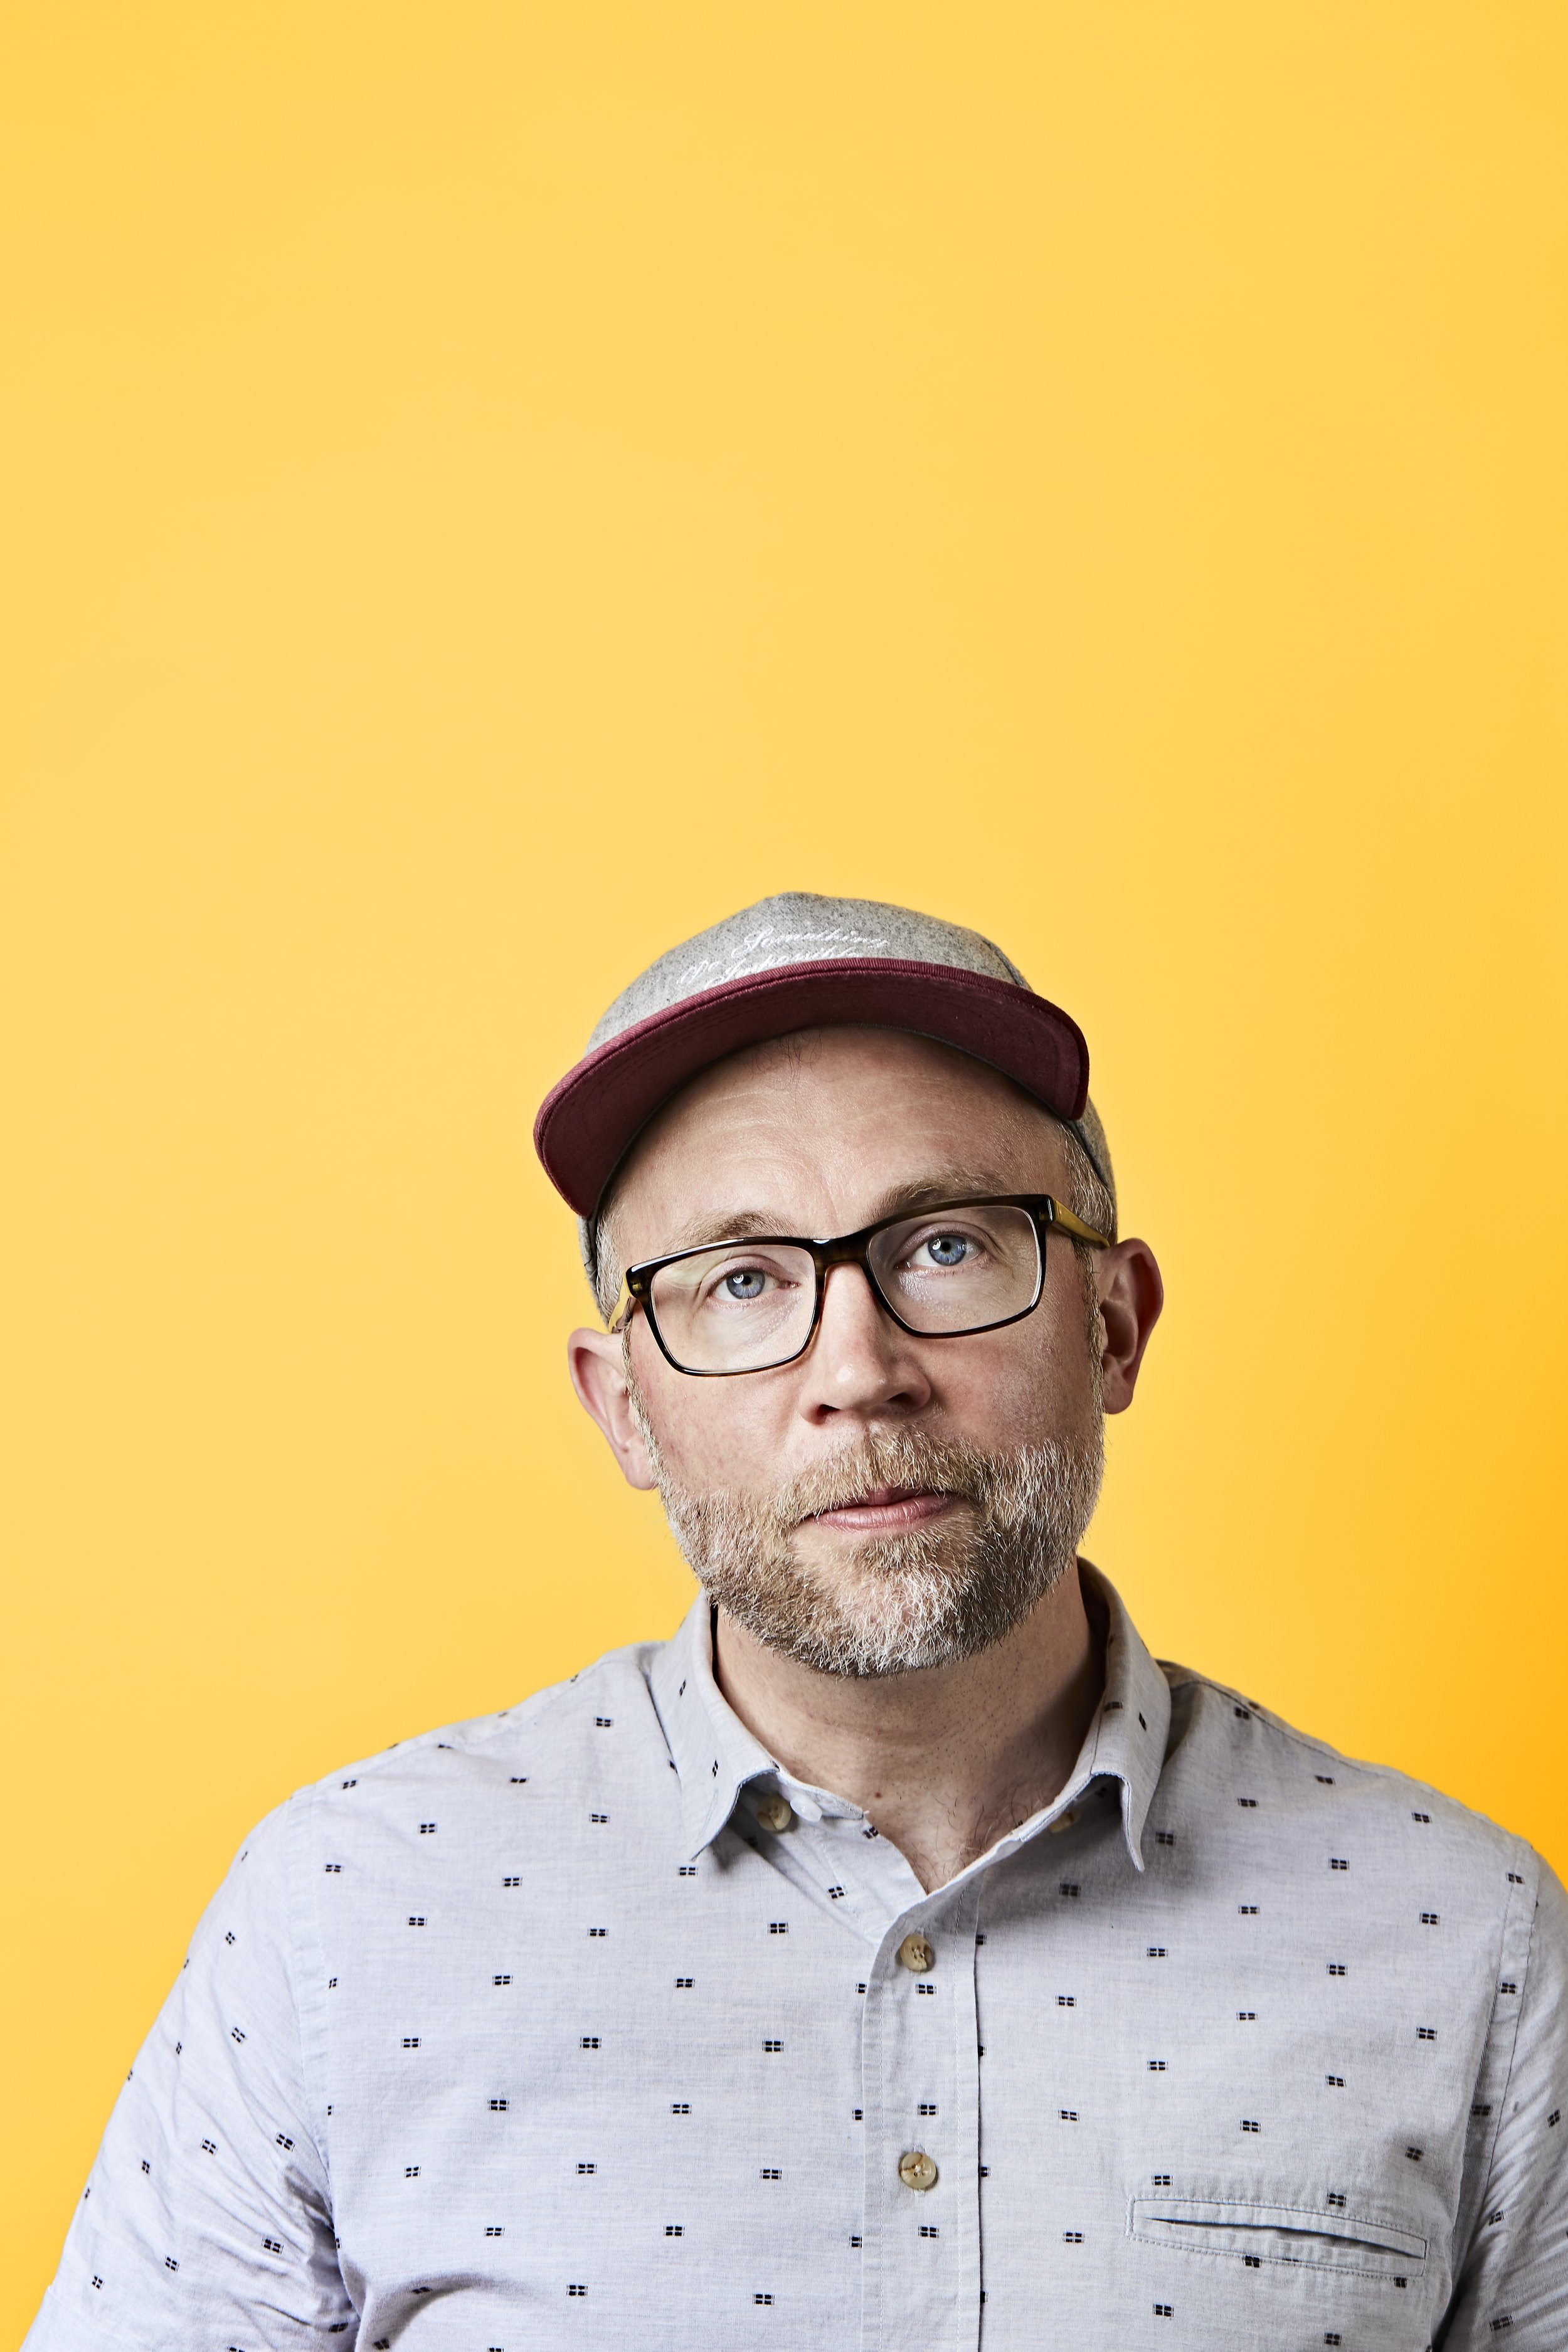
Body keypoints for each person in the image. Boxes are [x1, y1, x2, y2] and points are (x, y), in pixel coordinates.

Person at [26, 891, 1567, 2351]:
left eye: (947, 1246)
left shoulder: (1463, 1939)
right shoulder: (347, 1911)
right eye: (740, 1281)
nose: (857, 1367)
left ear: (1112, 1324)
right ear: (623, 1410)